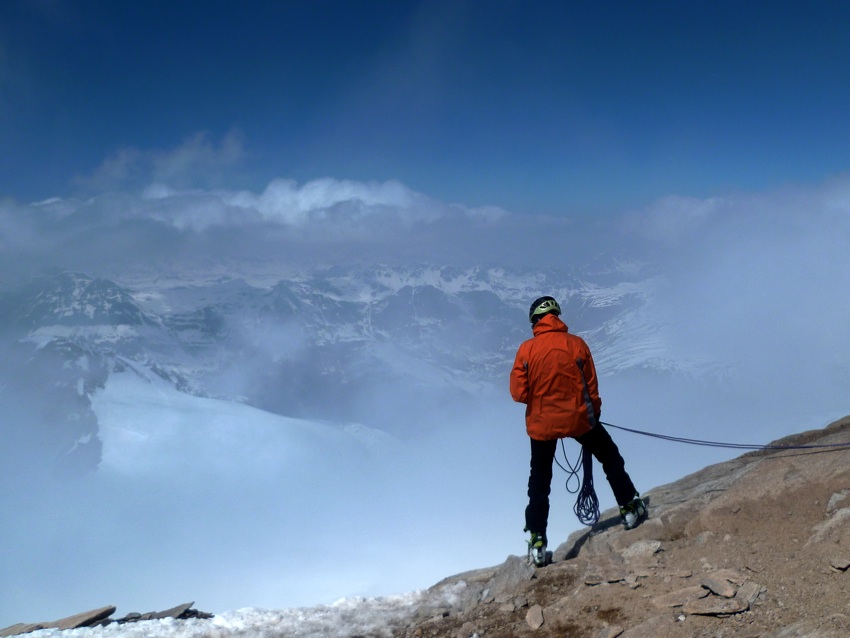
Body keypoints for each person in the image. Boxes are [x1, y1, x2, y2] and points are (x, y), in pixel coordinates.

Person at [510, 295, 646, 566]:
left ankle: (537, 540)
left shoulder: (526, 350)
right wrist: (591, 415)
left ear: (535, 321)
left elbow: (518, 393)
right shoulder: (577, 344)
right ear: (557, 317)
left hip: (542, 425)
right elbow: (591, 389)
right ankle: (630, 507)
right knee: (610, 457)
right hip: (580, 421)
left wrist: (542, 400)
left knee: (539, 481)